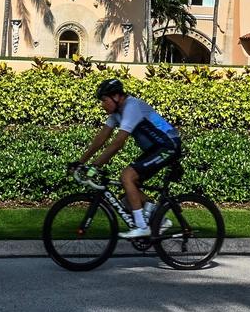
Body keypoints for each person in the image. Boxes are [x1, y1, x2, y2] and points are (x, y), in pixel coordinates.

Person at [73, 77, 182, 238]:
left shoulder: (131, 107)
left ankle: (142, 226)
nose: (102, 105)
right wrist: (80, 162)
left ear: (116, 97)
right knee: (128, 193)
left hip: (168, 145)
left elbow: (117, 143)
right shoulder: (117, 113)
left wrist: (95, 166)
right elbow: (100, 139)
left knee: (127, 176)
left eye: (104, 100)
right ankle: (160, 218)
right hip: (155, 148)